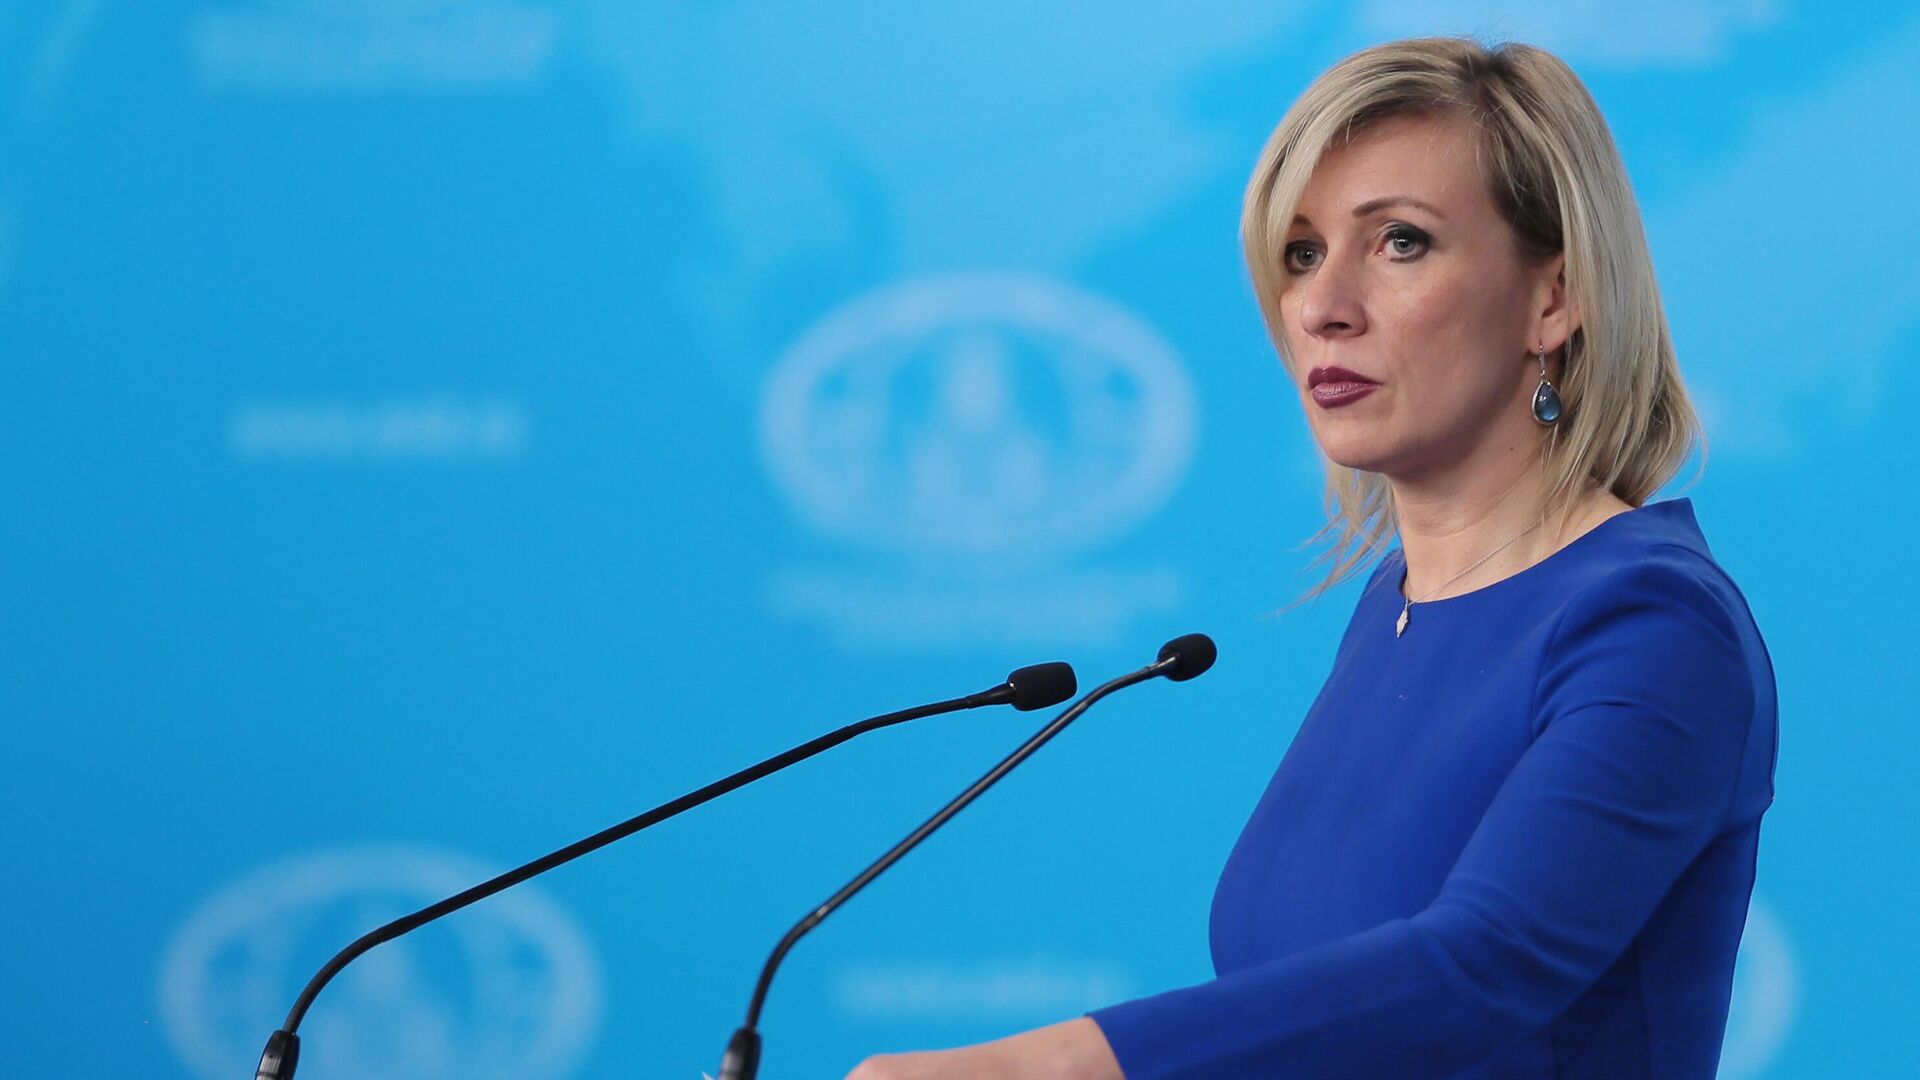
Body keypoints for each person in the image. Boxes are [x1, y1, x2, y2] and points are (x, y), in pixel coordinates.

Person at [842, 35, 1778, 1080]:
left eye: (1401, 242)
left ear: (1553, 298)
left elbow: (1480, 971)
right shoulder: (1396, 604)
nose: (1324, 306)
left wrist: (1045, 1067)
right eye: (1299, 253)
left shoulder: (1650, 623)